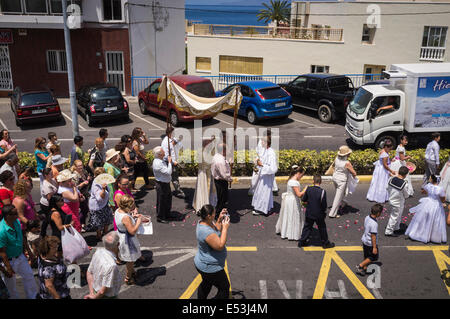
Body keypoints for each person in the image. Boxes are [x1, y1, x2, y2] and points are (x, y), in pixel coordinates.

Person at [0, 205, 38, 299]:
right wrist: (8, 268)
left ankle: (32, 297)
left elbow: (22, 237)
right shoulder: (1, 231)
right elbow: (2, 252)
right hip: (9, 261)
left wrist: (29, 252)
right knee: (11, 287)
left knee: (29, 277)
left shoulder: (16, 221)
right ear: (7, 216)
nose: (17, 215)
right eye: (14, 214)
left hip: (20, 257)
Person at [194, 204, 230, 299]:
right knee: (224, 288)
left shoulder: (205, 222)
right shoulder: (206, 231)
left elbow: (216, 231)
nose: (215, 214)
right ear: (208, 216)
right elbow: (220, 246)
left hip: (203, 264)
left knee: (207, 282)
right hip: (210, 267)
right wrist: (225, 228)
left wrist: (219, 220)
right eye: (214, 213)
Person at [405, 175, 447, 244]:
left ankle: (420, 233)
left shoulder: (428, 185)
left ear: (432, 179)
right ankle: (433, 237)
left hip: (427, 203)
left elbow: (423, 192)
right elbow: (443, 199)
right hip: (436, 205)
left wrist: (430, 193)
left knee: (424, 219)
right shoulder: (440, 189)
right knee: (435, 220)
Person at [115, 195, 145, 285]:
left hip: (121, 235)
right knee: (130, 260)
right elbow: (132, 231)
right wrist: (138, 221)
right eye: (132, 204)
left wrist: (134, 217)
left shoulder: (118, 210)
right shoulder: (125, 217)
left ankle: (132, 272)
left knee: (130, 258)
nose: (134, 206)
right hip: (127, 240)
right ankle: (128, 278)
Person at [298, 175, 335, 249]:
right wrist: (324, 212)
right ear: (320, 182)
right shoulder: (322, 192)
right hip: (319, 214)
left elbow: (304, 200)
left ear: (313, 181)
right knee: (322, 228)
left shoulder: (308, 189)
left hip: (309, 213)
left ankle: (302, 242)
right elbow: (324, 204)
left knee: (307, 227)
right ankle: (325, 243)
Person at [84, 232, 122, 299]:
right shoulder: (111, 266)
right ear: (118, 244)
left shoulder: (98, 252)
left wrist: (92, 293)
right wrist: (95, 297)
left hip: (95, 291)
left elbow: (89, 272)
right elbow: (102, 291)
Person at [275, 165, 307, 241]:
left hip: (289, 199)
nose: (301, 177)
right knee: (293, 215)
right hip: (292, 201)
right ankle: (292, 233)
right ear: (298, 173)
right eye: (301, 175)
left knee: (288, 215)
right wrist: (306, 189)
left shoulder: (291, 179)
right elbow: (299, 194)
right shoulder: (294, 182)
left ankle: (286, 231)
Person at [251, 136, 278, 216]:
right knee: (262, 192)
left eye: (262, 141)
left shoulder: (271, 153)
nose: (261, 142)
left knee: (264, 193)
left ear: (266, 142)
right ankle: (266, 208)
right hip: (264, 175)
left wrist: (261, 164)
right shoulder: (266, 150)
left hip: (267, 176)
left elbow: (273, 168)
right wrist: (258, 161)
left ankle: (262, 209)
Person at [329, 145, 357, 218]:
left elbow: (334, 166)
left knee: (341, 194)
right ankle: (332, 213)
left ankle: (344, 203)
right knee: (338, 197)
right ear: (347, 154)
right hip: (341, 181)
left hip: (335, 178)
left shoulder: (337, 158)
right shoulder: (347, 163)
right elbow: (354, 173)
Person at [87, 167, 113, 240]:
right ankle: (99, 235)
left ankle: (105, 233)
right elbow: (99, 198)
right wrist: (103, 189)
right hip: (97, 206)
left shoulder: (104, 181)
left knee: (107, 219)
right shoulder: (96, 184)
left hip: (104, 204)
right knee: (98, 223)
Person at [356, 203, 383, 276]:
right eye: (380, 213)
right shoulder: (374, 224)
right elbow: (373, 236)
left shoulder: (367, 217)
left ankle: (364, 269)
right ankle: (360, 266)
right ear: (378, 213)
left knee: (366, 256)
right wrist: (374, 247)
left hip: (365, 240)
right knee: (373, 257)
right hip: (370, 243)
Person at [367, 139, 395, 203]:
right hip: (383, 170)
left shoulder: (382, 151)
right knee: (382, 183)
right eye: (390, 149)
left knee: (377, 182)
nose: (390, 150)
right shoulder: (385, 155)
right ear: (386, 147)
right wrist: (391, 171)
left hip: (379, 168)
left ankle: (374, 196)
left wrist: (390, 161)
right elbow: (385, 165)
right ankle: (380, 197)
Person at [193, 137, 217, 212]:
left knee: (210, 190)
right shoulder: (200, 151)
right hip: (203, 173)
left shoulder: (211, 149)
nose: (209, 143)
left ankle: (210, 203)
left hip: (210, 172)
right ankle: (202, 205)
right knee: (203, 189)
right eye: (208, 142)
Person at [385, 166, 410, 237]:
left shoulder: (391, 179)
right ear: (405, 175)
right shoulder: (404, 184)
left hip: (391, 199)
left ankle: (396, 227)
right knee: (395, 216)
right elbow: (406, 195)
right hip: (398, 202)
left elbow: (387, 188)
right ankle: (388, 231)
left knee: (398, 215)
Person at [161, 126, 185, 198]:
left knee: (174, 177)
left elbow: (176, 142)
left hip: (174, 161)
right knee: (174, 178)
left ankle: (170, 191)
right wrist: (172, 162)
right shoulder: (165, 142)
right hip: (170, 163)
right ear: (169, 133)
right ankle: (178, 192)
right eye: (173, 132)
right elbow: (165, 155)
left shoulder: (171, 139)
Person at [211, 143, 232, 220]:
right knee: (222, 199)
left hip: (217, 180)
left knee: (220, 198)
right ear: (223, 150)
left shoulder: (217, 156)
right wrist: (230, 179)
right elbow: (224, 174)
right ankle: (218, 215)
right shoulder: (220, 161)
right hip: (221, 181)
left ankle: (220, 213)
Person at [152, 146, 172, 223]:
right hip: (161, 184)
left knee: (168, 199)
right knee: (161, 201)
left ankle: (167, 213)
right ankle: (160, 217)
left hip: (165, 183)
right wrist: (170, 162)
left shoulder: (160, 159)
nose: (165, 152)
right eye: (163, 151)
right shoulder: (158, 164)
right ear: (160, 154)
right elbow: (168, 172)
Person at [70, 160, 91, 232]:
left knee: (85, 209)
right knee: (83, 209)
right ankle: (79, 224)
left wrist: (88, 179)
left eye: (81, 165)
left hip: (85, 193)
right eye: (79, 166)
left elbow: (87, 176)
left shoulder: (83, 172)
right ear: (75, 167)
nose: (81, 167)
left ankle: (83, 224)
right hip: (79, 194)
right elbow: (74, 187)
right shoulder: (75, 175)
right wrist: (82, 184)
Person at [39, 168, 58, 237]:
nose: (52, 174)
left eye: (52, 172)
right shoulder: (46, 185)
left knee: (47, 219)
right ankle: (45, 234)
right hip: (47, 204)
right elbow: (49, 197)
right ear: (46, 175)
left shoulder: (52, 180)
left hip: (51, 203)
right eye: (50, 173)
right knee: (50, 219)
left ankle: (42, 233)